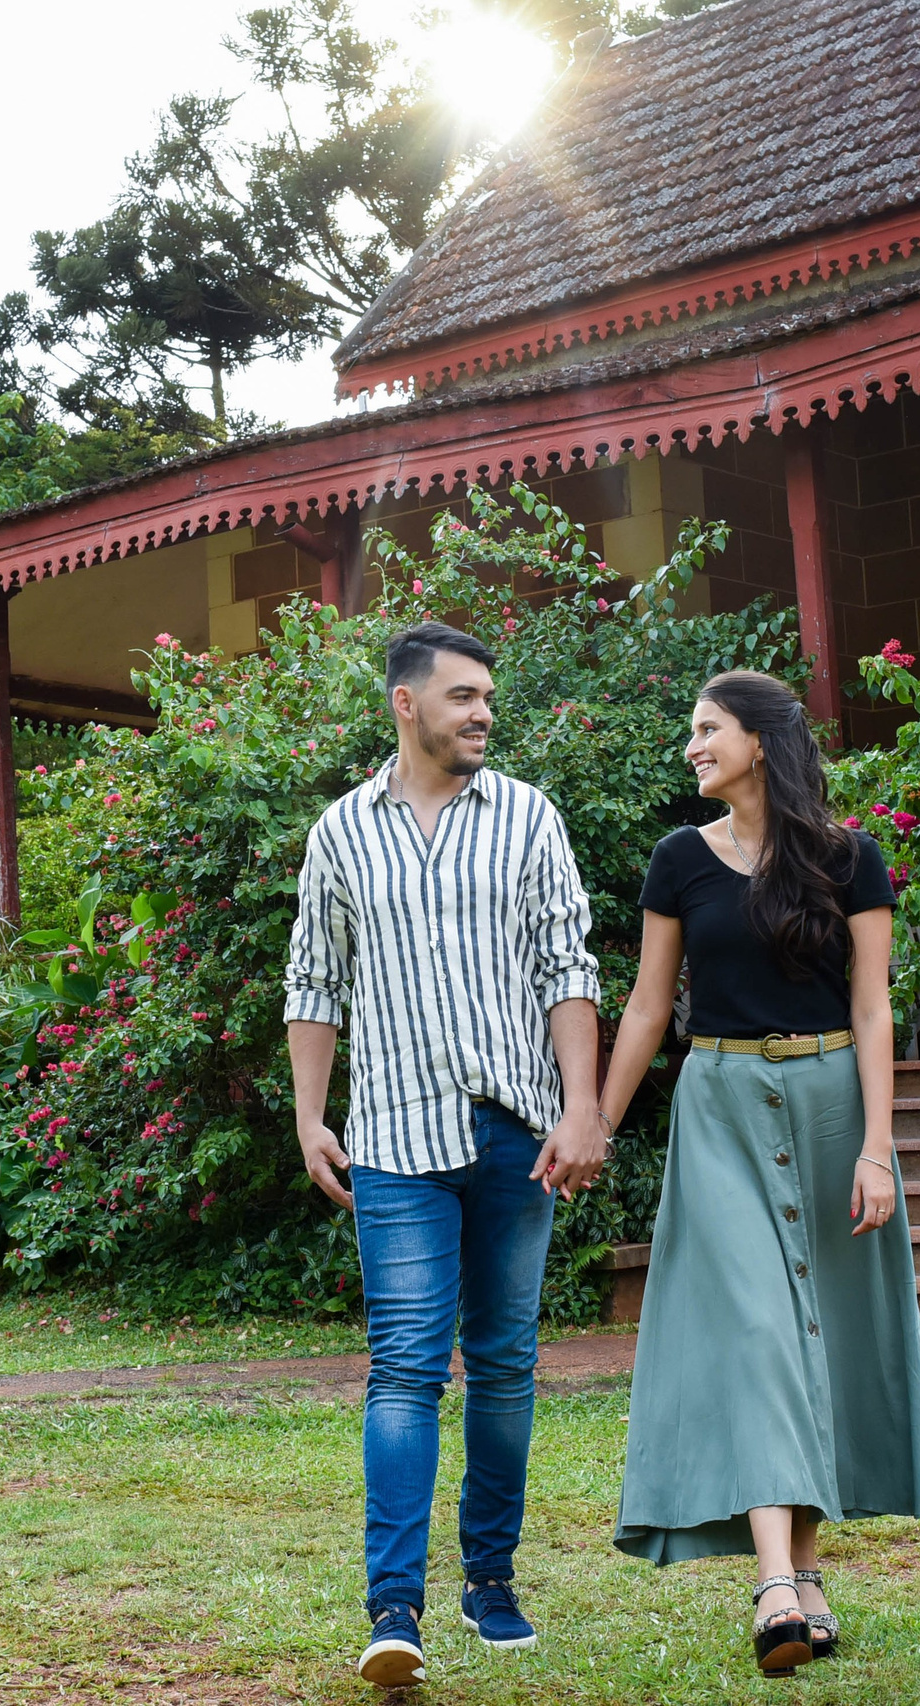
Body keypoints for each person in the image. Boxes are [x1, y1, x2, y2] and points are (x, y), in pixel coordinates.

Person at [597, 669, 920, 1677]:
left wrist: (878, 1145)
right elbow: (648, 1006)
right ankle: (774, 1585)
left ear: (760, 740)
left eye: (708, 728)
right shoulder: (678, 859)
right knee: (756, 1330)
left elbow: (873, 1008)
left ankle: (806, 1572)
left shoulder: (851, 859)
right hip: (717, 1107)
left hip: (833, 1101)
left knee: (817, 1335)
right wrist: (597, 1124)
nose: (692, 747)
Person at [283, 620, 610, 1690]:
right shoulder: (341, 832)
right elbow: (314, 979)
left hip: (517, 1131)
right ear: (405, 703)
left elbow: (567, 966)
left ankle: (490, 1577)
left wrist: (581, 1107)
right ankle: (394, 1607)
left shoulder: (527, 815)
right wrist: (310, 1115)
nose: (481, 713)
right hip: (392, 1139)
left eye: (487, 699)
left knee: (505, 1364)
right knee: (405, 1368)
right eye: (462, 695)